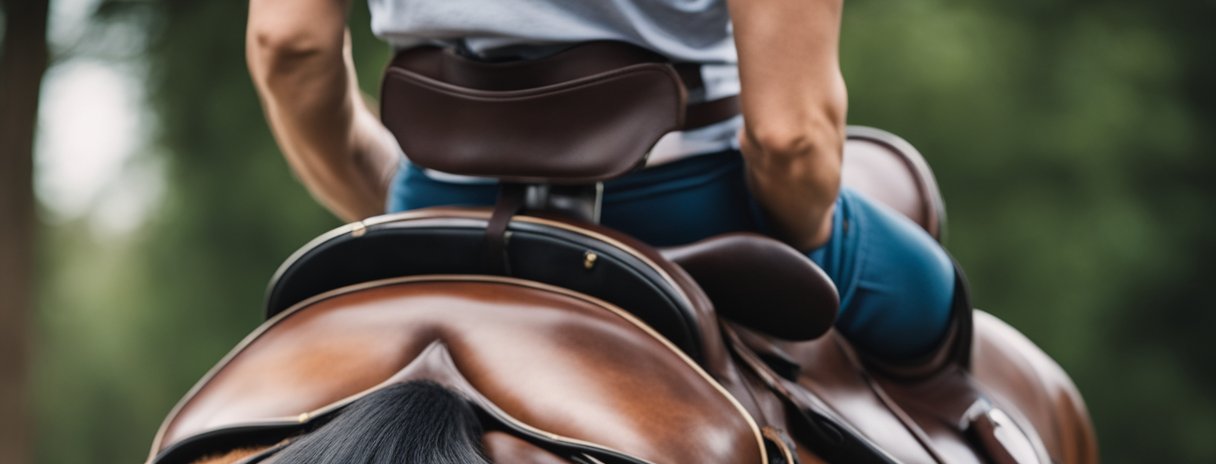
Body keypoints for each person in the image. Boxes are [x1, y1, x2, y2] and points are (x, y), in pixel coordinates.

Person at [246, 0, 956, 361]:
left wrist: (401, 203)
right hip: (685, 215)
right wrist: (806, 235)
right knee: (931, 298)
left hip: (440, 207)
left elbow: (288, 45)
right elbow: (789, 140)